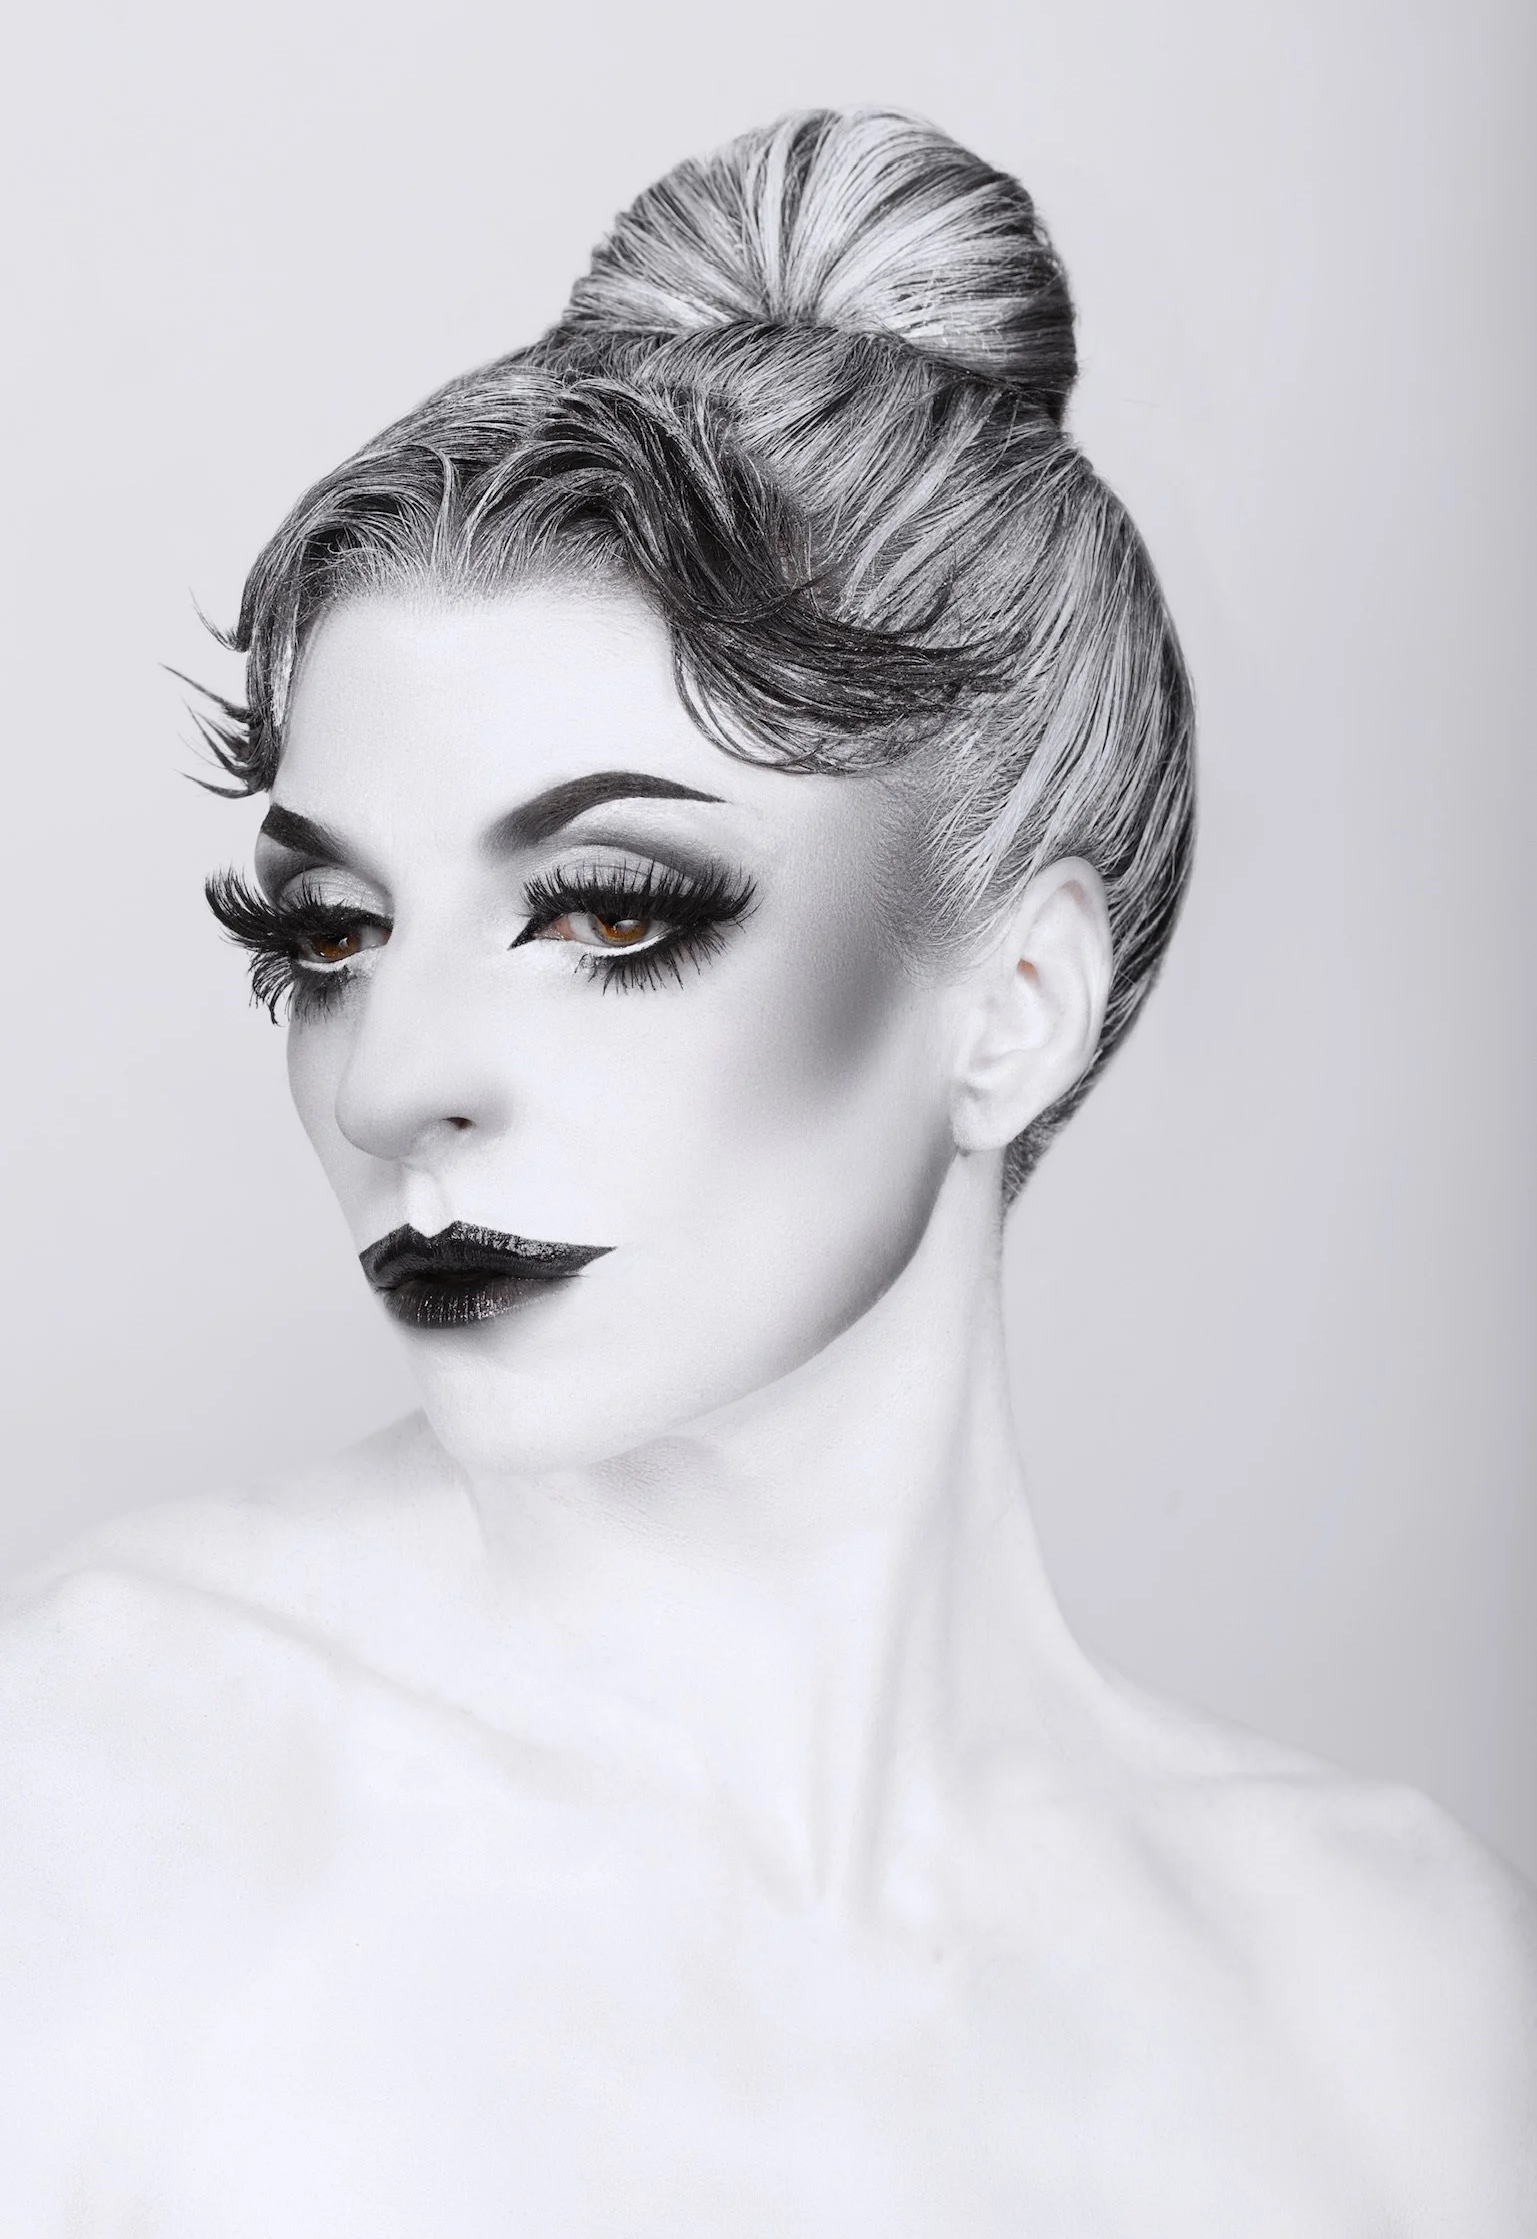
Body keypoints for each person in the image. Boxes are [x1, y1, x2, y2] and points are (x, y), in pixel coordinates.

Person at [0, 108, 1530, 2236]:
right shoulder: (97, 1799)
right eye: (328, 938)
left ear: (1016, 1006)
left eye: (610, 911)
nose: (391, 1082)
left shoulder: (1399, 2001)